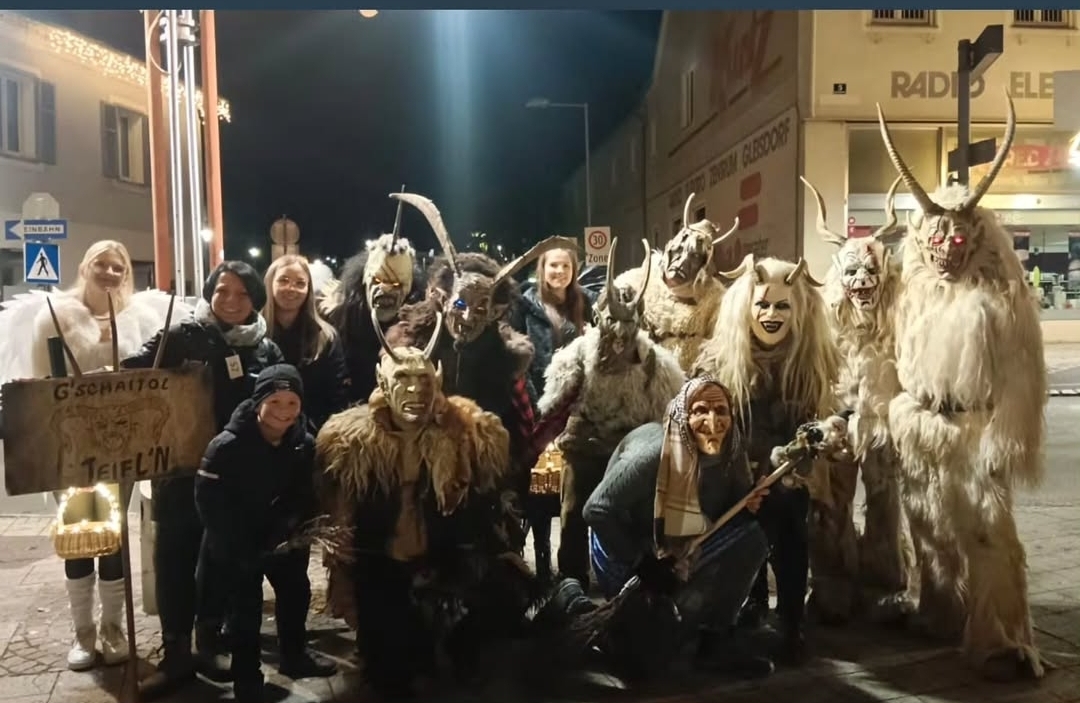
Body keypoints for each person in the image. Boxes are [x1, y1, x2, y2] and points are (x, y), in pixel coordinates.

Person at [0, 240, 187, 671]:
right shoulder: (55, 317)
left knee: (114, 536)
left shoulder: (139, 319)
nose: (110, 272)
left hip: (122, 446)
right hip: (73, 448)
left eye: (118, 266)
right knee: (80, 536)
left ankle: (112, 629)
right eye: (102, 264)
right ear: (86, 267)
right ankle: (83, 633)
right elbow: (42, 386)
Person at [123, 261, 284, 699]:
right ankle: (176, 655)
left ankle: (208, 643)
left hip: (233, 480)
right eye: (222, 291)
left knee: (219, 561)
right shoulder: (181, 335)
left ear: (256, 300)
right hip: (181, 473)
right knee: (175, 559)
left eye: (242, 293)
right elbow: (131, 374)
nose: (231, 301)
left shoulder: (265, 349)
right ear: (210, 293)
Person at [581, 377, 774, 679]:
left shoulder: (731, 449)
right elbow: (597, 510)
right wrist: (642, 562)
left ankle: (715, 637)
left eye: (721, 411)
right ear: (684, 415)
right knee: (647, 663)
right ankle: (616, 618)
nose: (713, 422)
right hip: (626, 548)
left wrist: (751, 504)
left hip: (681, 548)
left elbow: (732, 511)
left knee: (752, 540)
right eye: (701, 411)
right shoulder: (656, 453)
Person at [196, 364, 337, 703]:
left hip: (281, 537)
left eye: (292, 402)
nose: (283, 411)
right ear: (259, 402)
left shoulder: (303, 444)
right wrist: (237, 544)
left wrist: (291, 525)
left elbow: (305, 491)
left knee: (295, 593)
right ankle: (248, 677)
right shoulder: (226, 447)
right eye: (274, 401)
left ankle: (294, 655)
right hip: (237, 541)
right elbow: (208, 501)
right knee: (244, 609)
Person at [509, 245, 595, 582]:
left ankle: (573, 568)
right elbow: (518, 357)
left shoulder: (587, 302)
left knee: (573, 488)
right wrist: (537, 406)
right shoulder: (524, 305)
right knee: (535, 487)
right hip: (537, 406)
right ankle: (541, 556)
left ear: (574, 270)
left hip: (577, 408)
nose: (559, 272)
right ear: (542, 269)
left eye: (565, 266)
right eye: (553, 265)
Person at [263, 255, 348, 431]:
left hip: (311, 434)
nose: (291, 288)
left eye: (300, 283)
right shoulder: (253, 334)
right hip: (260, 435)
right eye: (283, 280)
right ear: (270, 283)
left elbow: (337, 393)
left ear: (309, 289)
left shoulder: (326, 337)